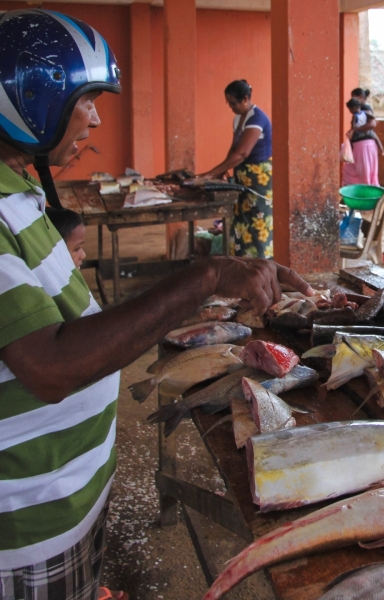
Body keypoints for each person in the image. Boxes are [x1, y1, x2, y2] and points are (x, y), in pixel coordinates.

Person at [0, 10, 312, 599]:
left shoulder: (19, 195)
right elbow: (51, 366)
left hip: (64, 495)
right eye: (86, 99)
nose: (95, 115)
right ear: (32, 99)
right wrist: (205, 275)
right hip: (25, 522)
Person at [198, 80, 274, 258]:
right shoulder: (239, 119)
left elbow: (242, 153)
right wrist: (216, 172)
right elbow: (233, 150)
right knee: (241, 222)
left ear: (245, 99)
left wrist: (211, 173)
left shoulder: (257, 119)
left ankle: (261, 268)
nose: (231, 107)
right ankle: (243, 265)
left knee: (258, 223)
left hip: (259, 180)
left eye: (233, 103)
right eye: (228, 103)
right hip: (242, 178)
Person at [342, 98, 380, 187]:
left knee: (362, 171)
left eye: (350, 109)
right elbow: (374, 122)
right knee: (370, 171)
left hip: (361, 146)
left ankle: (363, 192)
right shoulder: (366, 113)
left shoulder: (355, 116)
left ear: (354, 107)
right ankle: (370, 190)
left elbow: (353, 129)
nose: (350, 111)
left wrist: (353, 131)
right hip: (371, 145)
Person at [350, 88, 384, 157]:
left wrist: (354, 130)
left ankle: (382, 151)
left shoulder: (364, 108)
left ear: (360, 97)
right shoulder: (361, 108)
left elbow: (372, 124)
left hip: (364, 144)